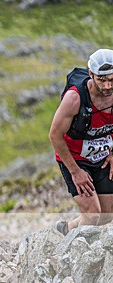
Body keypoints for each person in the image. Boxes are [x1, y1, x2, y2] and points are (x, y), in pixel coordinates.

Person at [50, 48, 113, 235]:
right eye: (102, 80)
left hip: (101, 156)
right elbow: (54, 135)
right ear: (91, 74)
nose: (108, 86)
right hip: (75, 158)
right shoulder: (74, 98)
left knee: (107, 214)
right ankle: (76, 256)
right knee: (93, 215)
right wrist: (75, 172)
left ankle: (66, 230)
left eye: (112, 79)